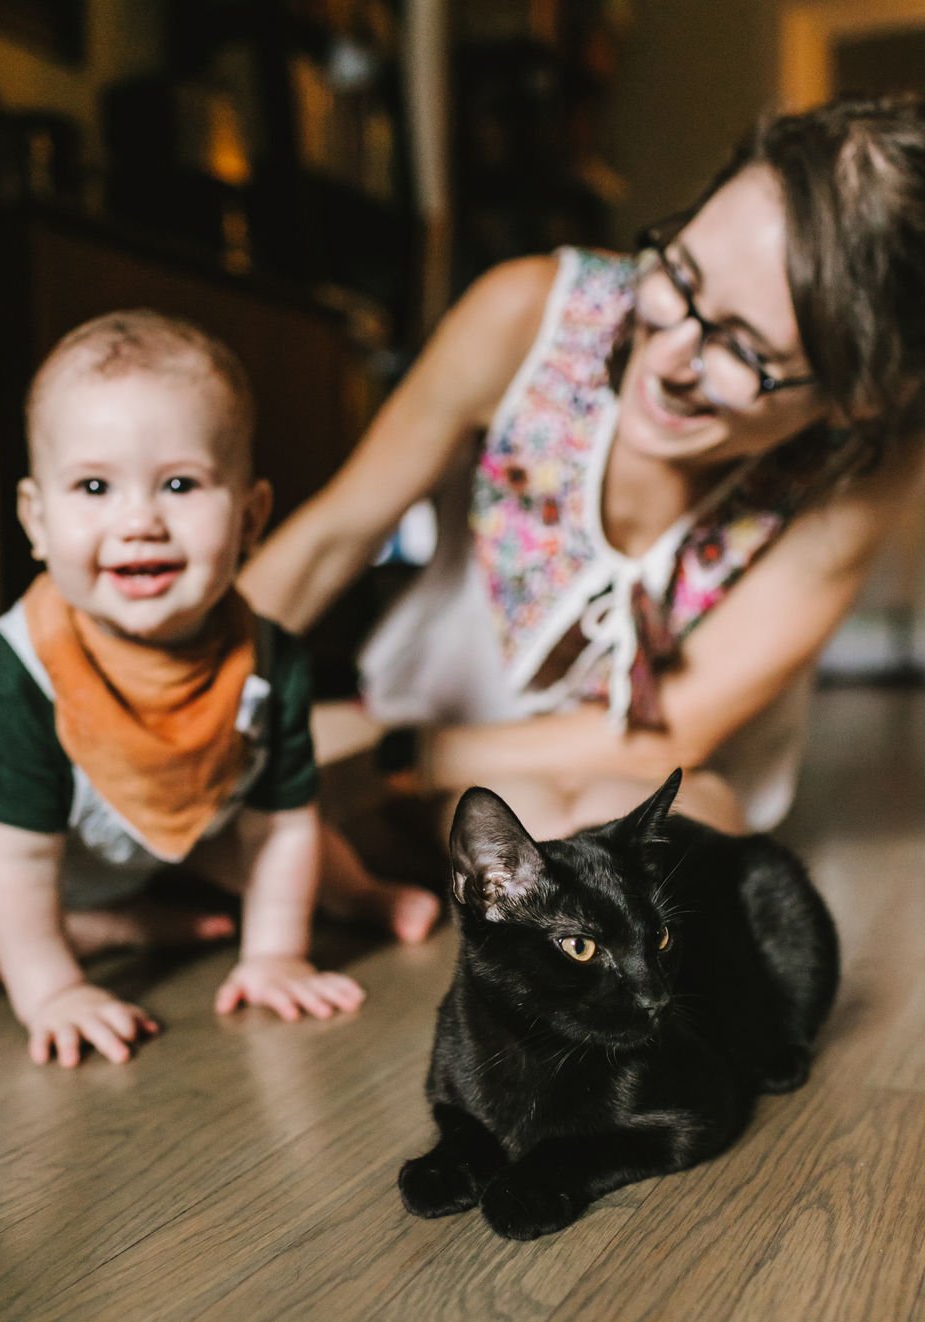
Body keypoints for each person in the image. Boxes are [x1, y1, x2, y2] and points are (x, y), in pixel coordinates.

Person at [240, 93, 925, 842]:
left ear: (857, 399)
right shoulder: (525, 315)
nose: (666, 359)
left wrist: (380, 755)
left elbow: (673, 739)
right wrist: (157, 692)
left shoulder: (859, 471)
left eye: (745, 351)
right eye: (681, 277)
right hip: (424, 721)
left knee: (662, 837)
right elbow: (330, 541)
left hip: (637, 780)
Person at [0, 310, 437, 1068]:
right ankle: (112, 925)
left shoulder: (267, 657)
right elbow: (20, 860)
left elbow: (279, 824)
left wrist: (275, 956)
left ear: (251, 517)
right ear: (38, 519)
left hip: (190, 813)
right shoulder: (24, 670)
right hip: (14, 842)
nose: (139, 521)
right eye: (94, 486)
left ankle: (358, 895)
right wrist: (54, 990)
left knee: (303, 842)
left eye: (179, 484)